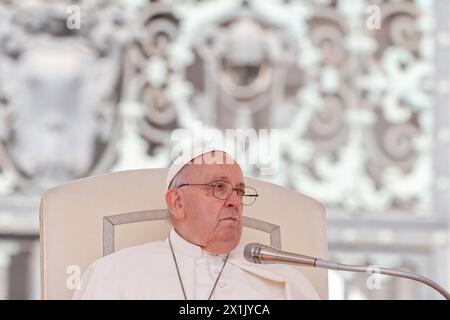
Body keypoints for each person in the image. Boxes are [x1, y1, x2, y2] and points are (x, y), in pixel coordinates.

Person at [73, 148, 320, 299]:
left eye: (240, 191)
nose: (235, 201)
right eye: (218, 187)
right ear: (177, 203)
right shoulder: (114, 275)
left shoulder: (285, 282)